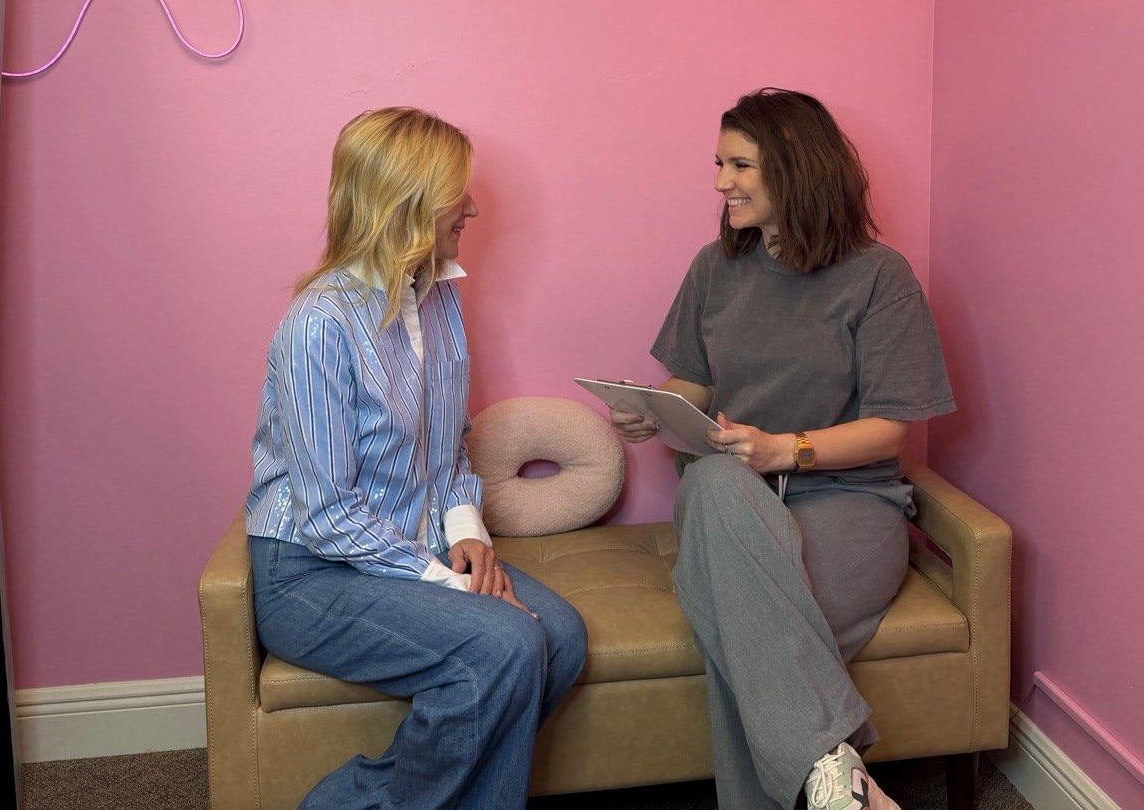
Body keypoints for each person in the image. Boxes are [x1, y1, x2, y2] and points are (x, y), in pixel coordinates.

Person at [610, 89, 956, 810]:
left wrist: (783, 450)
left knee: (747, 628)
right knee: (710, 485)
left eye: (739, 164)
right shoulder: (716, 266)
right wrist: (656, 408)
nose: (719, 182)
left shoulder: (878, 279)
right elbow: (694, 379)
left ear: (795, 170)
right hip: (731, 500)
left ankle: (829, 779)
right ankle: (836, 775)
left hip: (848, 501)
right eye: (718, 162)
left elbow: (892, 425)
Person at [244, 107, 587, 810]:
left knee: (561, 635)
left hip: (409, 547)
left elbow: (448, 444)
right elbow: (329, 515)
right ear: (407, 202)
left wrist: (467, 534)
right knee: (505, 645)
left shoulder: (436, 300)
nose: (475, 208)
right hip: (309, 571)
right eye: (457, 194)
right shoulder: (318, 326)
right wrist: (444, 581)